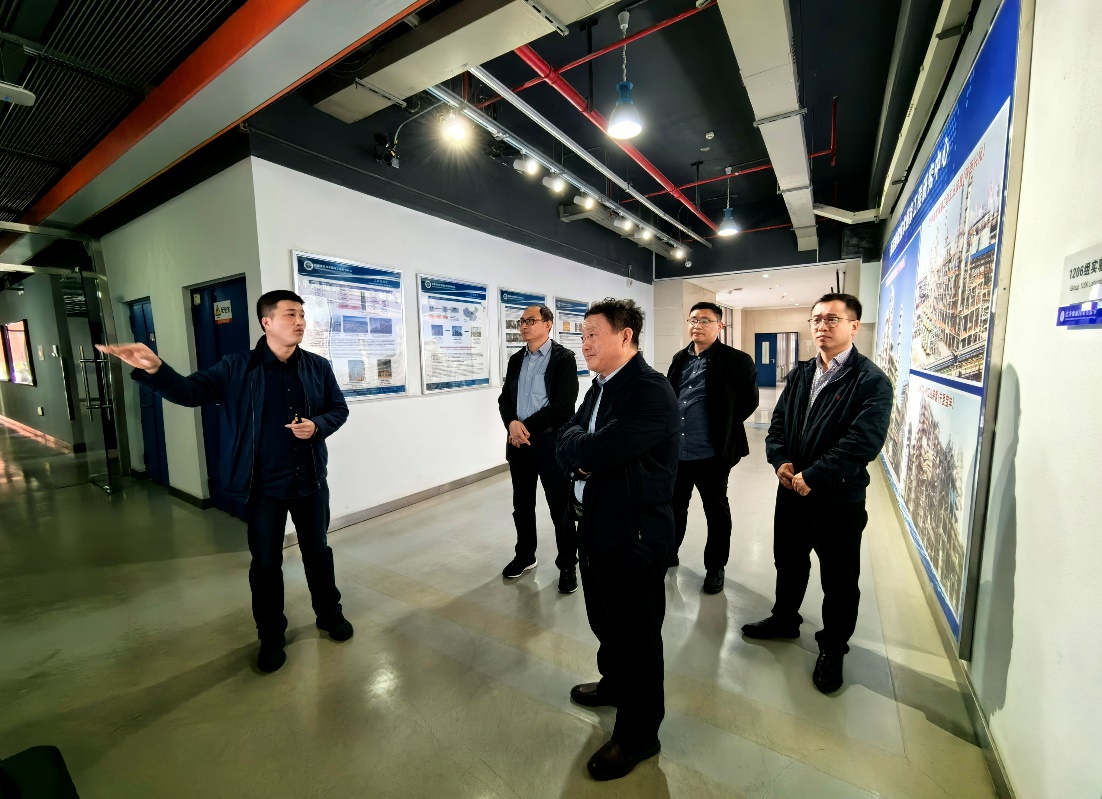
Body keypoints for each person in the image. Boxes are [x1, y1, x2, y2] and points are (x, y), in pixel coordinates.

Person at [97, 290, 352, 674]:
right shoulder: (236, 367)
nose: (300, 321)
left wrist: (317, 425)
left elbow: (338, 409)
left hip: (310, 481)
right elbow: (190, 392)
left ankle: (329, 614)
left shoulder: (317, 366)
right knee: (266, 564)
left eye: (302, 315)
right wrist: (155, 368)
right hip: (261, 487)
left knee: (318, 552)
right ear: (267, 322)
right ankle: (271, 635)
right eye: (290, 314)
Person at [741, 292, 892, 693]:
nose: (822, 326)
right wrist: (780, 460)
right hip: (792, 491)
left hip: (837, 499)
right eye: (817, 319)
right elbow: (778, 424)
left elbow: (863, 443)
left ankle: (833, 648)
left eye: (832, 319)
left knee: (839, 579)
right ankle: (785, 619)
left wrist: (816, 475)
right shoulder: (802, 373)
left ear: (853, 326)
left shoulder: (870, 381)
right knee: (789, 561)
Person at [556, 298, 679, 781]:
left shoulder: (649, 391)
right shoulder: (601, 386)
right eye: (582, 335)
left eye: (592, 334)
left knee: (638, 639)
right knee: (604, 619)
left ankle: (639, 735)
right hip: (596, 525)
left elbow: (601, 449)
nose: (584, 344)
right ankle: (613, 683)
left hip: (634, 535)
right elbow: (570, 436)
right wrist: (581, 454)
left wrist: (583, 454)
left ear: (625, 336)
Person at [666, 302, 758, 593]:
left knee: (716, 511)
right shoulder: (680, 358)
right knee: (674, 506)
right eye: (693, 319)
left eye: (705, 320)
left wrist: (723, 425)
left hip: (713, 454)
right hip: (679, 452)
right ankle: (670, 551)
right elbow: (670, 395)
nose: (698, 325)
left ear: (720, 326)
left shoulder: (737, 360)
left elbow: (749, 401)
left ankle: (715, 566)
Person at [497, 304, 580, 592]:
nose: (523, 325)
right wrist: (511, 424)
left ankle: (568, 564)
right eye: (521, 321)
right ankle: (525, 556)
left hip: (550, 444)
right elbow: (505, 399)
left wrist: (523, 427)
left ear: (548, 324)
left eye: (530, 320)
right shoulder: (516, 359)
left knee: (561, 508)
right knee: (522, 505)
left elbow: (563, 407)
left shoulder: (563, 359)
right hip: (519, 445)